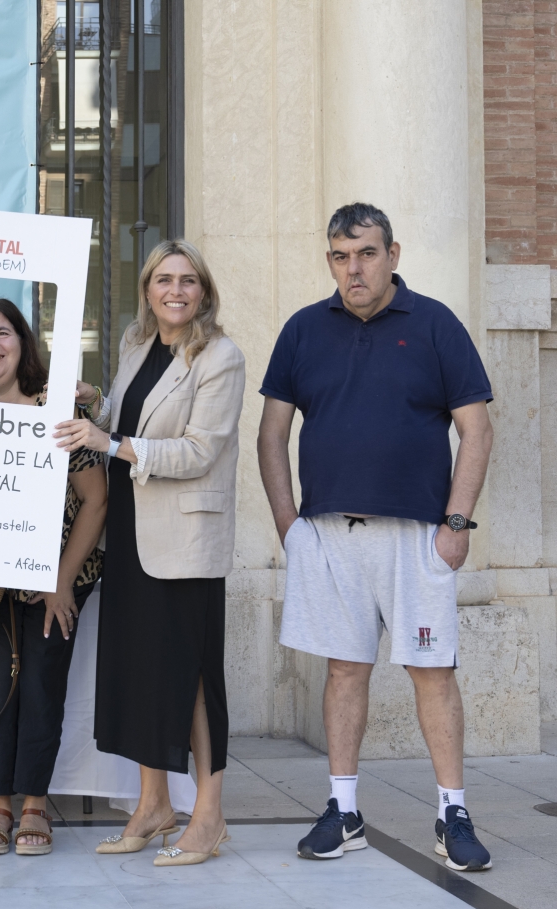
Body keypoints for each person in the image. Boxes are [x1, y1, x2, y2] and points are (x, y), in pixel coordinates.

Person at [257, 203, 495, 871]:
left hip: (417, 536)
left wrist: (456, 522)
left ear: (393, 253)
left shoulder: (435, 325)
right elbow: (271, 435)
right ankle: (345, 809)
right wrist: (288, 526)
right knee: (343, 670)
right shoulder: (304, 330)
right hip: (330, 535)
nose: (352, 268)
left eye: (364, 253)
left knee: (432, 670)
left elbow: (475, 430)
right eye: (339, 255)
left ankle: (453, 813)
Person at [57, 239, 244, 867]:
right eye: (164, 279)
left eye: (188, 281)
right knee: (143, 671)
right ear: (147, 290)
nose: (175, 291)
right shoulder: (137, 347)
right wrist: (96, 406)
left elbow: (196, 452)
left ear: (204, 293)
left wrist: (107, 440)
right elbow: (132, 423)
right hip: (134, 534)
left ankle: (209, 816)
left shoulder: (221, 357)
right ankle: (154, 806)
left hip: (185, 543)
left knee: (193, 678)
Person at [0, 297, 107, 857]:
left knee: (42, 683)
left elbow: (96, 501)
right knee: (0, 685)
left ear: (22, 343)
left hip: (65, 574)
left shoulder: (58, 409)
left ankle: (35, 804)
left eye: (2, 333)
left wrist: (60, 581)